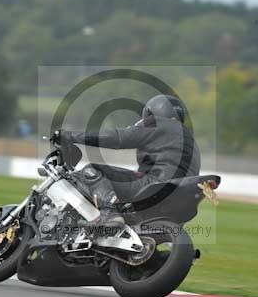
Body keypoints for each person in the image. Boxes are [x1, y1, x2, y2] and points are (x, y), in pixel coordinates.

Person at [61, 94, 201, 229]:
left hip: (155, 185)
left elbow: (119, 138)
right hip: (180, 195)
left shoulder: (156, 124)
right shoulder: (191, 140)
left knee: (91, 171)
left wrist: (71, 136)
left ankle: (108, 214)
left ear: (151, 112)